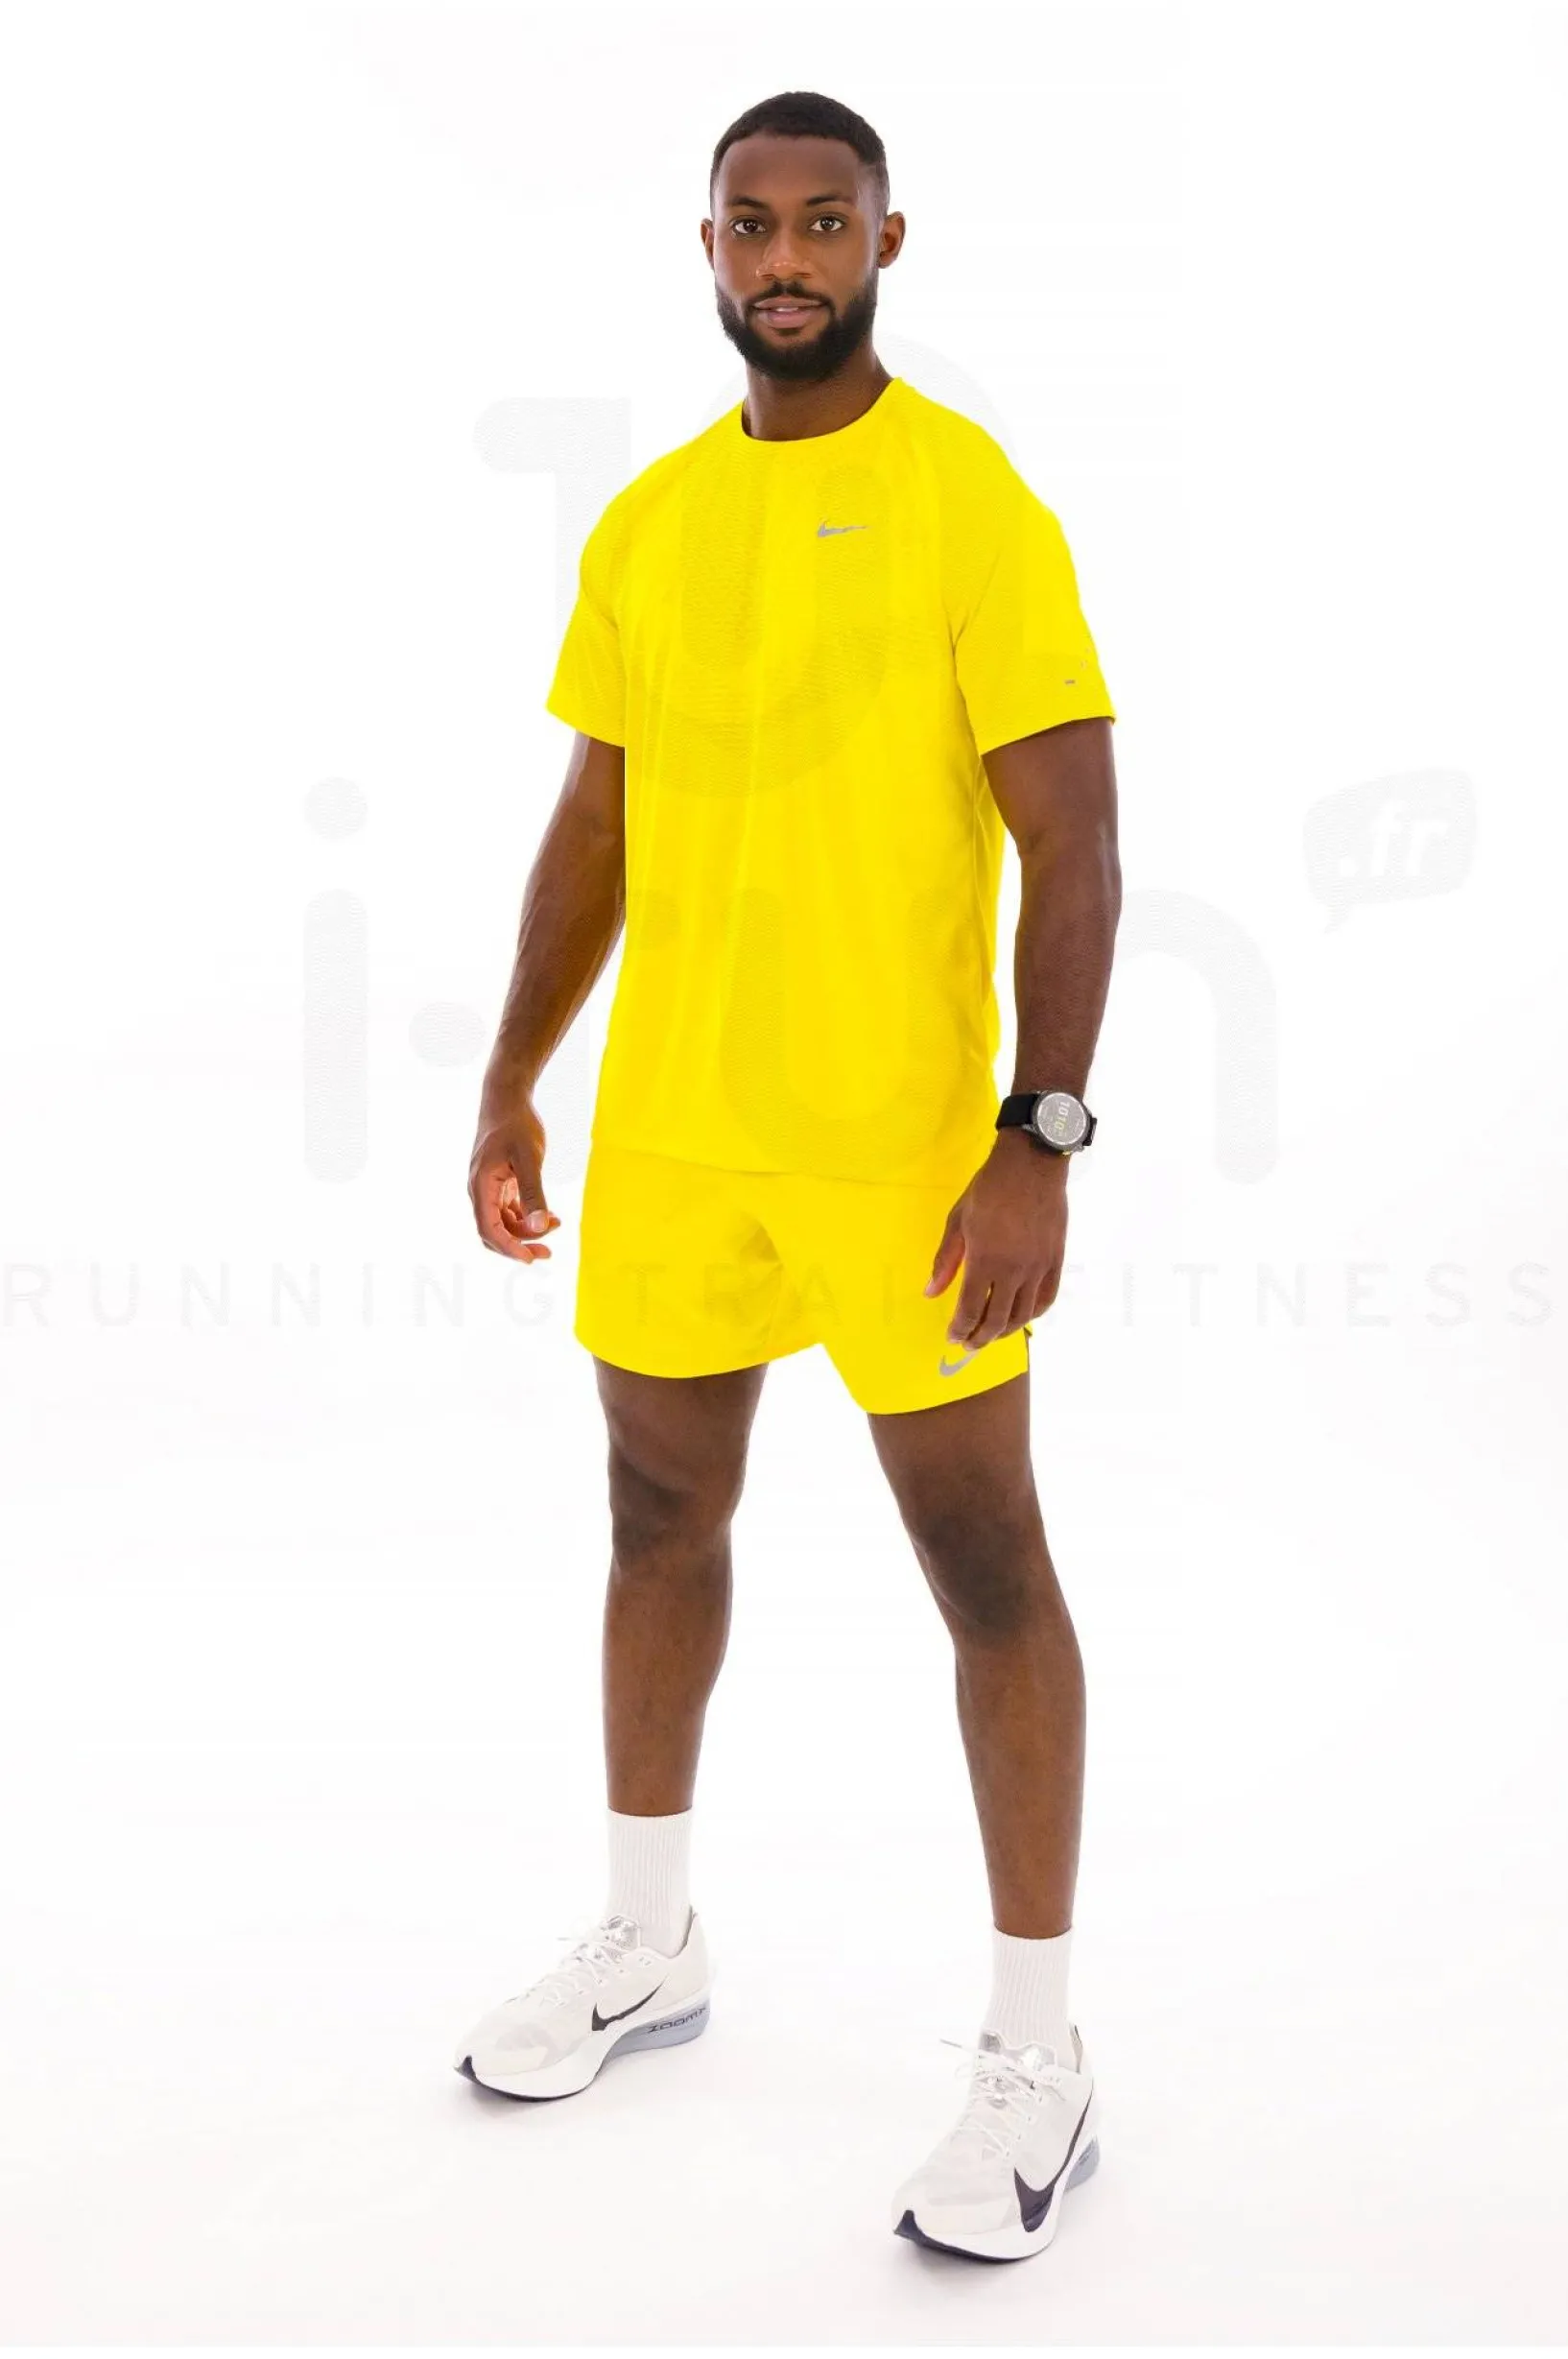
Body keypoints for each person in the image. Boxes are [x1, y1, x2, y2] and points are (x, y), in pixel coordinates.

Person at [455, 87, 1120, 2265]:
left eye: (826, 221)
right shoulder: (650, 519)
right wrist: (510, 1076)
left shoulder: (968, 500)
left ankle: (1037, 2049)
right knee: (657, 1517)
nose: (787, 258)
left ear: (887, 241)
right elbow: (596, 817)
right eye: (753, 224)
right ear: (710, 248)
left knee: (983, 1561)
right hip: (675, 1134)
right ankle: (649, 1936)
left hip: (902, 1152)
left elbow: (1076, 842)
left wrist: (1037, 1135)